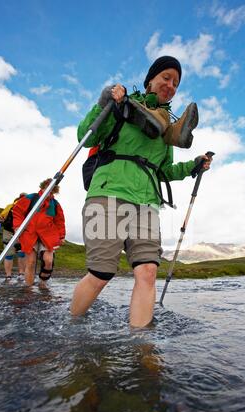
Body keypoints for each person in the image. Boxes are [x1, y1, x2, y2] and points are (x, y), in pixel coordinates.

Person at [71, 56, 212, 326]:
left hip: (147, 203)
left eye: (176, 83)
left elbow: (164, 171)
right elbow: (85, 135)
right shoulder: (123, 105)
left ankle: (142, 349)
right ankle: (72, 325)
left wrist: (194, 166)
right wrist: (105, 103)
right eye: (166, 78)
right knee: (101, 273)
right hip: (108, 194)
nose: (171, 85)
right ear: (151, 80)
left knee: (147, 271)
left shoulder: (166, 133)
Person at [12, 179, 66, 287]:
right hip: (29, 233)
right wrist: (17, 226)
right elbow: (18, 211)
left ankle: (43, 282)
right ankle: (29, 289)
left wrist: (61, 236)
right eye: (46, 187)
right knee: (30, 262)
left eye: (51, 189)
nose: (48, 191)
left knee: (48, 261)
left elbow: (60, 221)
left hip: (48, 235)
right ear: (42, 187)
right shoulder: (31, 198)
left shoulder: (55, 204)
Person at [0, 194, 27, 281]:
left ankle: (9, 276)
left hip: (10, 232)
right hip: (20, 232)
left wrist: (0, 219)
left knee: (9, 254)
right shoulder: (12, 206)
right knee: (21, 253)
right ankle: (21, 274)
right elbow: (0, 216)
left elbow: (0, 217)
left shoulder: (10, 206)